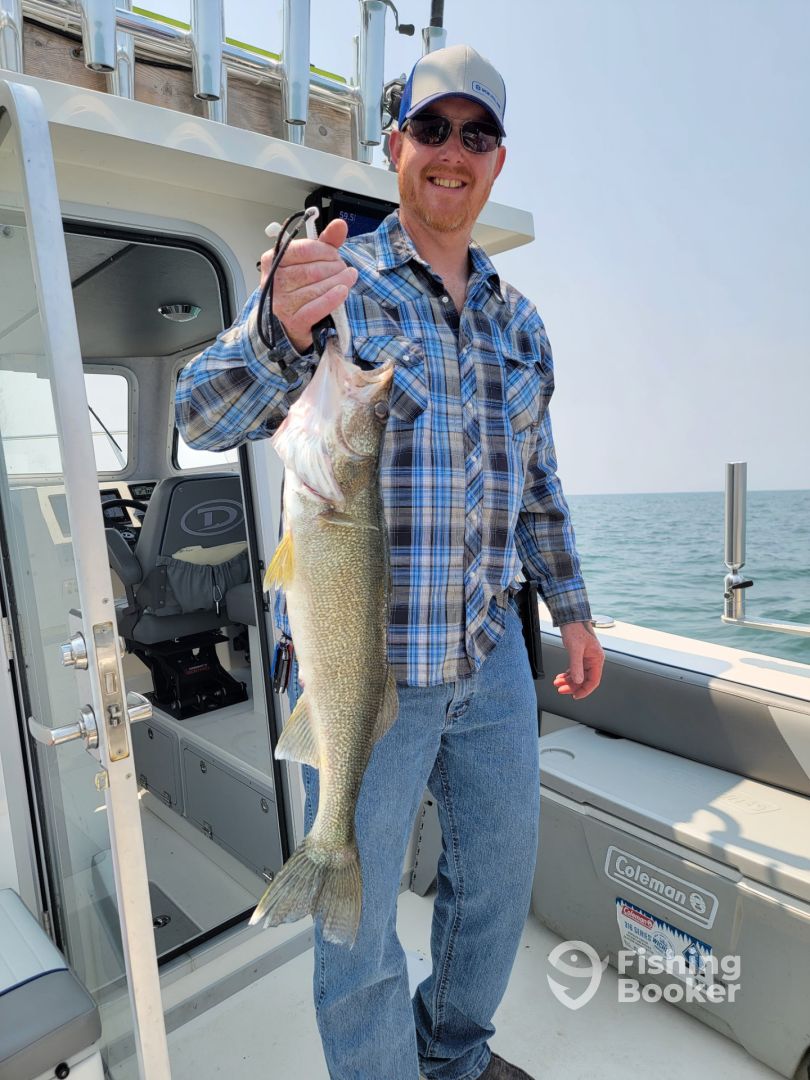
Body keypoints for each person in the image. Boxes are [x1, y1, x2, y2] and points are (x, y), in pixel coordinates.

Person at [176, 42, 604, 1080]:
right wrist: (277, 336)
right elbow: (201, 414)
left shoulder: (522, 324)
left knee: (495, 885)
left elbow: (537, 483)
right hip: (370, 664)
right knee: (356, 921)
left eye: (477, 134)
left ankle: (453, 1055)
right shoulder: (333, 282)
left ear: (498, 160)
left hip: (491, 654)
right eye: (433, 128)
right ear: (396, 143)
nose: (454, 151)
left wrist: (573, 608)